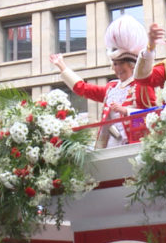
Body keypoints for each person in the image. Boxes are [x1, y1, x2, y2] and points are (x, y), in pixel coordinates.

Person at [51, 15, 156, 148]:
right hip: (111, 144)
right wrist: (62, 67)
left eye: (120, 63)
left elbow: (153, 113)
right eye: (115, 63)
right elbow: (83, 88)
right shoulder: (111, 88)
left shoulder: (141, 85)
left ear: (131, 65)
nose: (116, 68)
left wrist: (126, 111)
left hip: (136, 144)